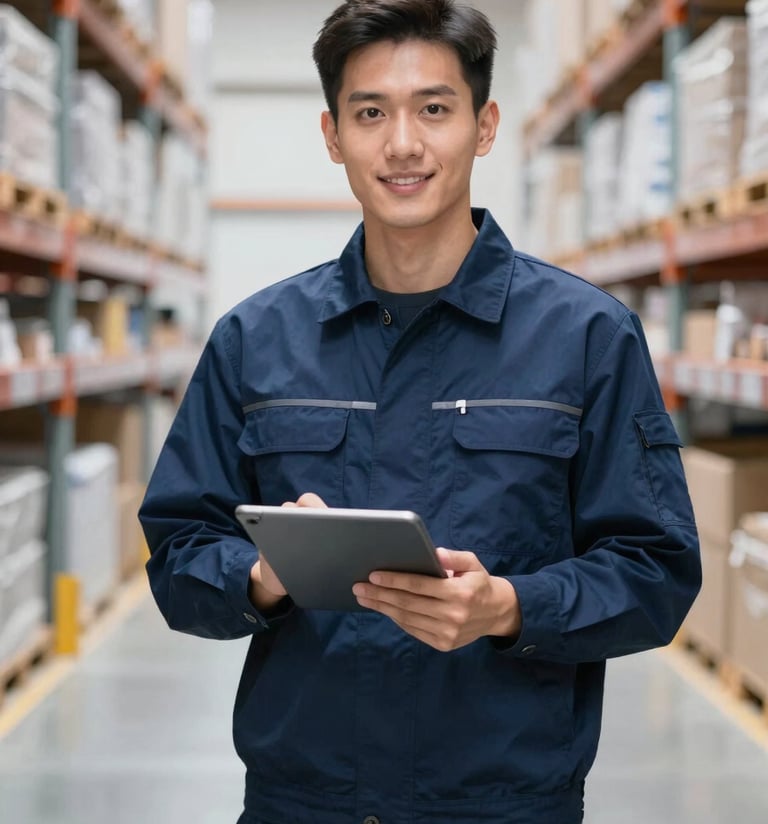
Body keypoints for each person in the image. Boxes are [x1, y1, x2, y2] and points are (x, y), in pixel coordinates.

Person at [139, 1, 701, 822]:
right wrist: (258, 579)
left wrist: (511, 606)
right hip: (305, 803)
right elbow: (178, 551)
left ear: (484, 125)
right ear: (333, 135)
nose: (403, 144)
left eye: (434, 108)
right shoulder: (256, 341)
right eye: (371, 113)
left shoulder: (586, 337)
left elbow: (658, 570)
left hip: (502, 805)